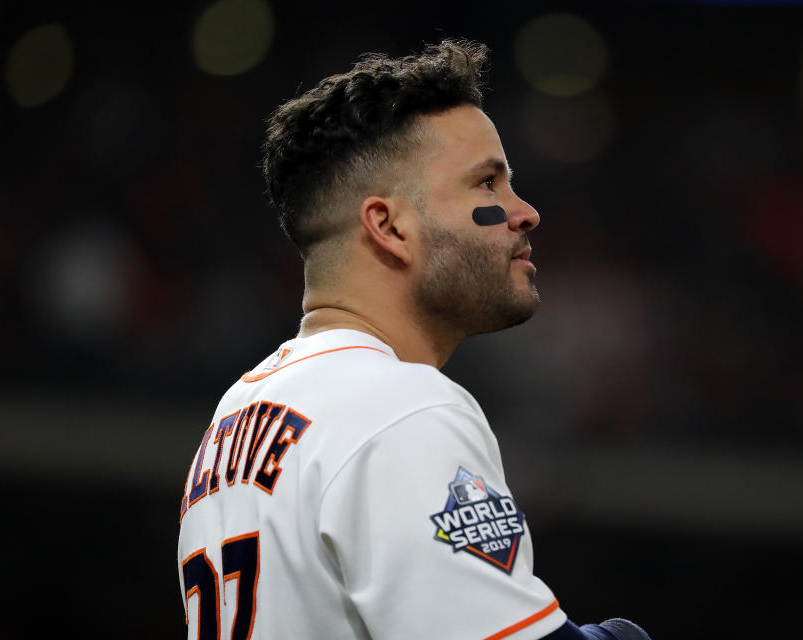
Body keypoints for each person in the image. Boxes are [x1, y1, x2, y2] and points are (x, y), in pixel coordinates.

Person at [177, 39, 650, 640]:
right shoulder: (400, 407)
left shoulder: (235, 416)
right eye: (486, 185)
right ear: (390, 226)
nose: (524, 211)